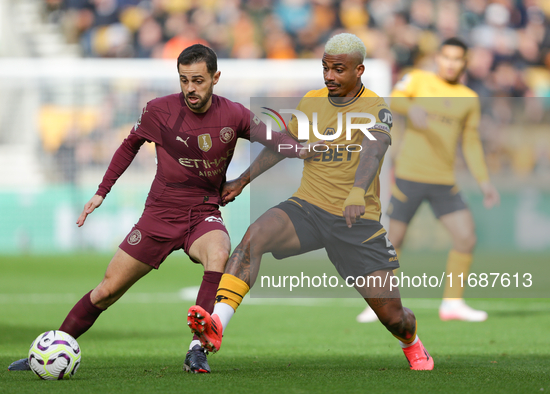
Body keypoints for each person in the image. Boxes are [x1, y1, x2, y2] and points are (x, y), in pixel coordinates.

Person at [8, 44, 314, 374]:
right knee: (107, 291)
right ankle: (49, 352)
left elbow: (279, 142)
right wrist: (101, 192)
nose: (190, 88)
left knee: (219, 251)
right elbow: (129, 146)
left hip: (202, 214)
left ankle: (197, 349)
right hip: (158, 216)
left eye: (198, 80)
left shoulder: (235, 114)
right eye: (184, 80)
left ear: (215, 78)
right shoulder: (159, 111)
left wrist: (307, 150)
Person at [187, 33, 434, 371]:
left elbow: (374, 150)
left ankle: (413, 344)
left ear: (359, 70)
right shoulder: (312, 101)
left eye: (338, 70)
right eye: (325, 68)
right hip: (309, 208)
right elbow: (282, 143)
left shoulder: (376, 107)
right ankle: (217, 324)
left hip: (355, 222)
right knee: (254, 236)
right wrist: (243, 180)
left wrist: (357, 191)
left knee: (395, 319)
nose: (329, 76)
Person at [356, 38, 500, 324]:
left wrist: (484, 182)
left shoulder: (468, 98)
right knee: (393, 241)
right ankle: (381, 303)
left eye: (457, 58)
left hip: (444, 180)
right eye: (446, 56)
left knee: (466, 237)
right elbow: (395, 99)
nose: (450, 62)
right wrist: (412, 109)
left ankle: (452, 304)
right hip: (410, 175)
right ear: (438, 58)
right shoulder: (418, 80)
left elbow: (470, 143)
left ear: (464, 63)